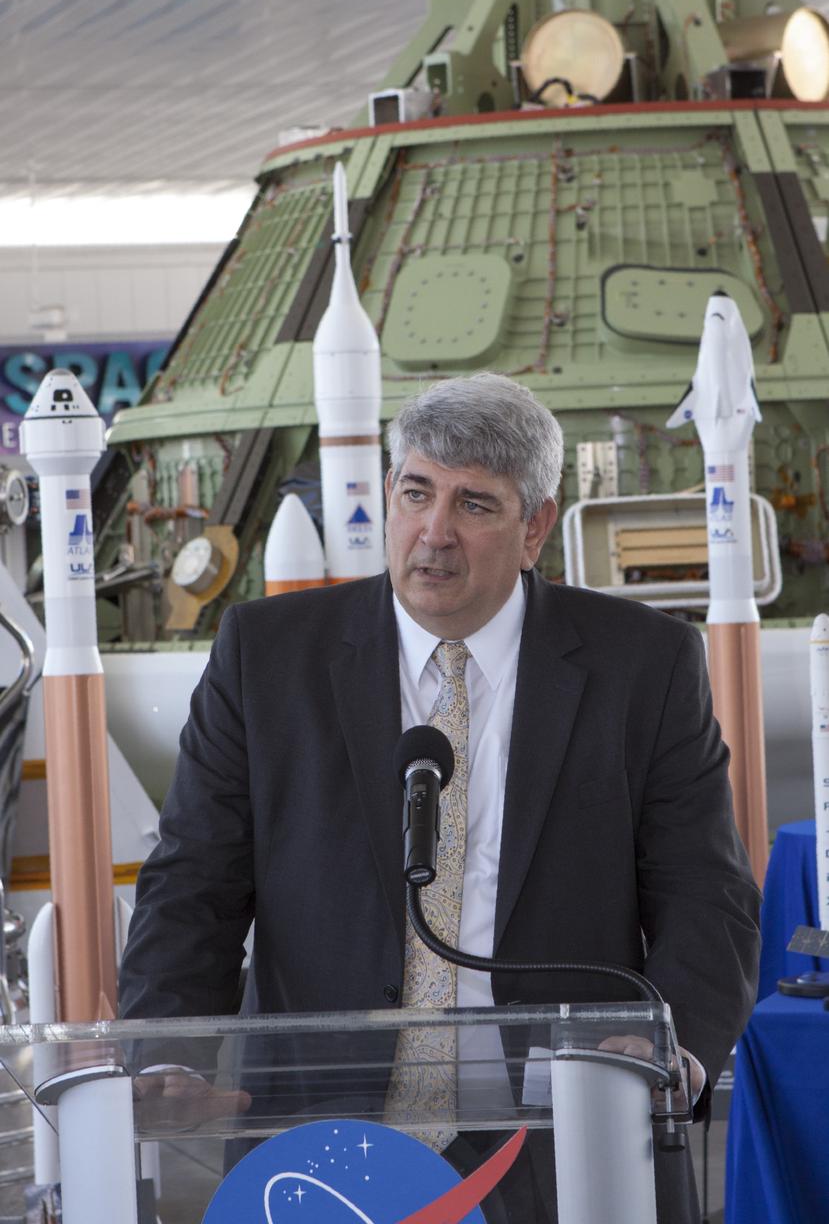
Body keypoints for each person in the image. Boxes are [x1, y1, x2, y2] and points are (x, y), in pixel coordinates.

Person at [119, 372, 761, 1222]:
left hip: (567, 1142)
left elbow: (705, 893)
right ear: (389, 492)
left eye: (474, 504)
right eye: (416, 493)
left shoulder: (642, 663)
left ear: (535, 527)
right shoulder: (267, 654)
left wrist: (664, 1045)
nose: (433, 533)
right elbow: (194, 879)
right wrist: (167, 1053)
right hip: (320, 1142)